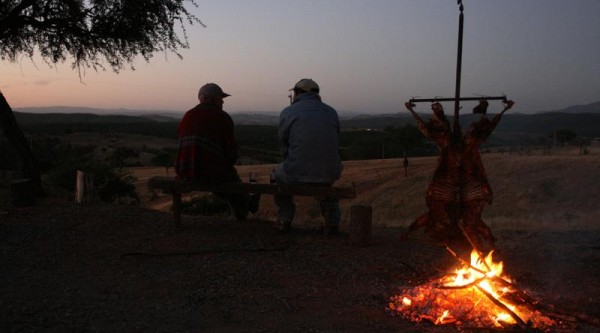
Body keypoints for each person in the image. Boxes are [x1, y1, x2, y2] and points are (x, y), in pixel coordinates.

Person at [174, 83, 257, 220]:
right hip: (210, 172)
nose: (223, 101)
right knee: (231, 185)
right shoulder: (222, 117)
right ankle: (244, 211)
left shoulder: (187, 115)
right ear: (211, 98)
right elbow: (231, 154)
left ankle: (248, 202)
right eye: (221, 98)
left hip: (185, 171)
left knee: (220, 178)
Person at [274, 78, 343, 233]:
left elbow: (283, 144)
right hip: (330, 172)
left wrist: (290, 160)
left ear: (297, 93)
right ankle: (332, 223)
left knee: (276, 175)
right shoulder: (331, 112)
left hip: (295, 173)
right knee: (326, 184)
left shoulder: (288, 112)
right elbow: (335, 140)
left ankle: (284, 220)